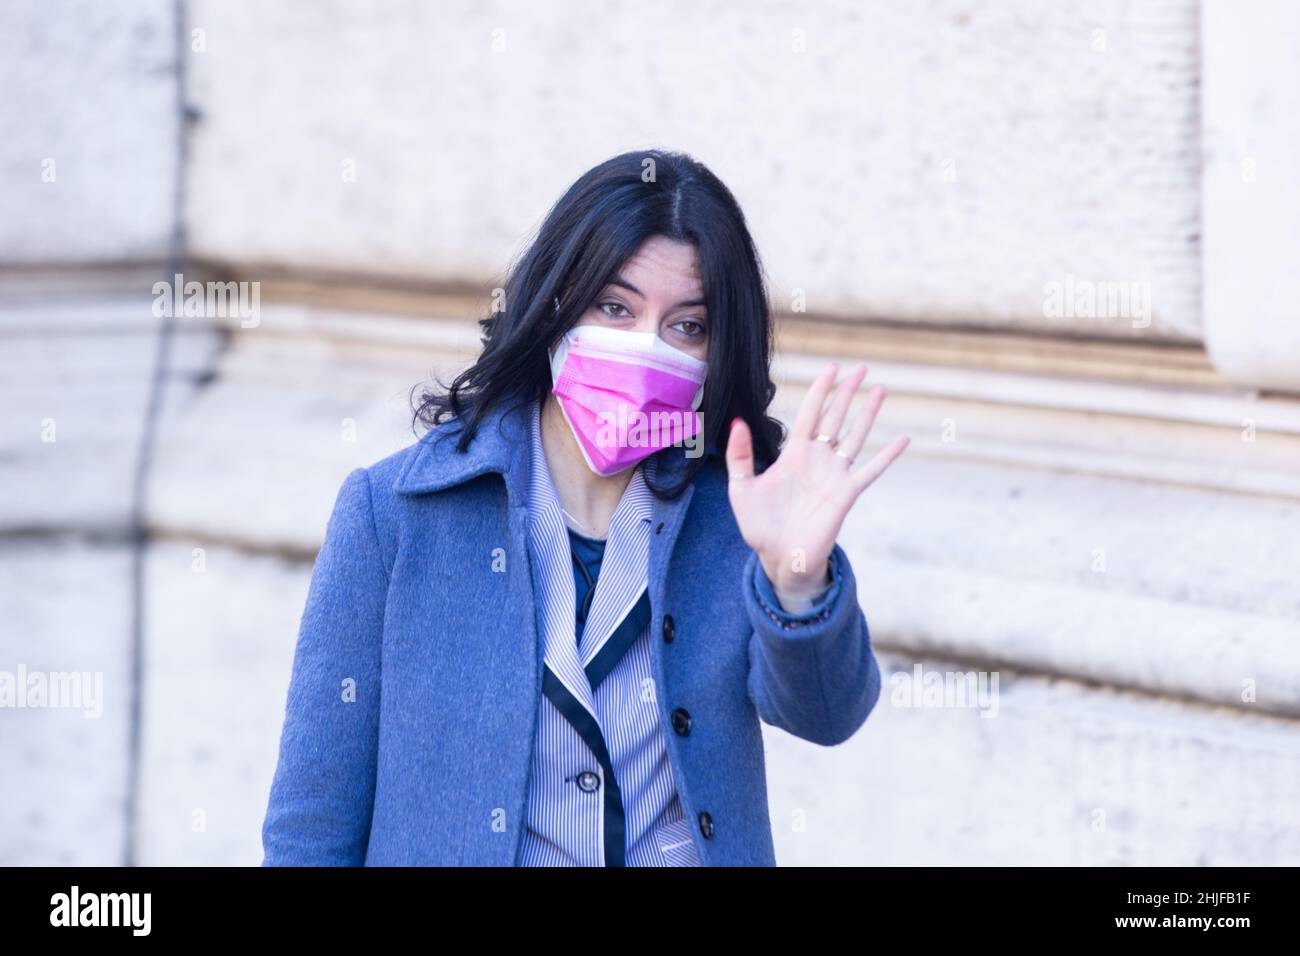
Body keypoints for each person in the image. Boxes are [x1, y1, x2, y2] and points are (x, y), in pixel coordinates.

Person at [260, 149, 910, 866]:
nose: (645, 347)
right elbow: (311, 829)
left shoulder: (739, 518)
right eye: (615, 307)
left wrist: (796, 579)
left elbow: (827, 714)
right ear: (556, 304)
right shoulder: (394, 515)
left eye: (687, 326)